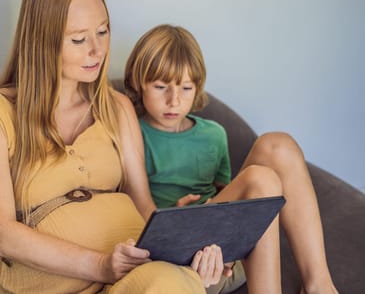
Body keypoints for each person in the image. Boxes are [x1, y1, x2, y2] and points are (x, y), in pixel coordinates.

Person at [0, 0, 238, 294]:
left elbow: (143, 205)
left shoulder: (117, 107)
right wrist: (100, 265)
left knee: (170, 283)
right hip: (52, 285)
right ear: (42, 42)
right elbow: (1, 235)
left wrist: (185, 247)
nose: (97, 50)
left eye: (103, 32)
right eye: (79, 39)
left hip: (135, 277)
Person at [124, 24, 339, 294]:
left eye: (186, 88)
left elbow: (226, 196)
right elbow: (133, 210)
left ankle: (320, 286)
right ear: (137, 82)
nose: (174, 100)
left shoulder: (213, 135)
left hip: (223, 259)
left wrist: (216, 219)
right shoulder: (133, 132)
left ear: (198, 87)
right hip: (177, 261)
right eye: (160, 87)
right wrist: (178, 217)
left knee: (278, 145)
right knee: (260, 177)